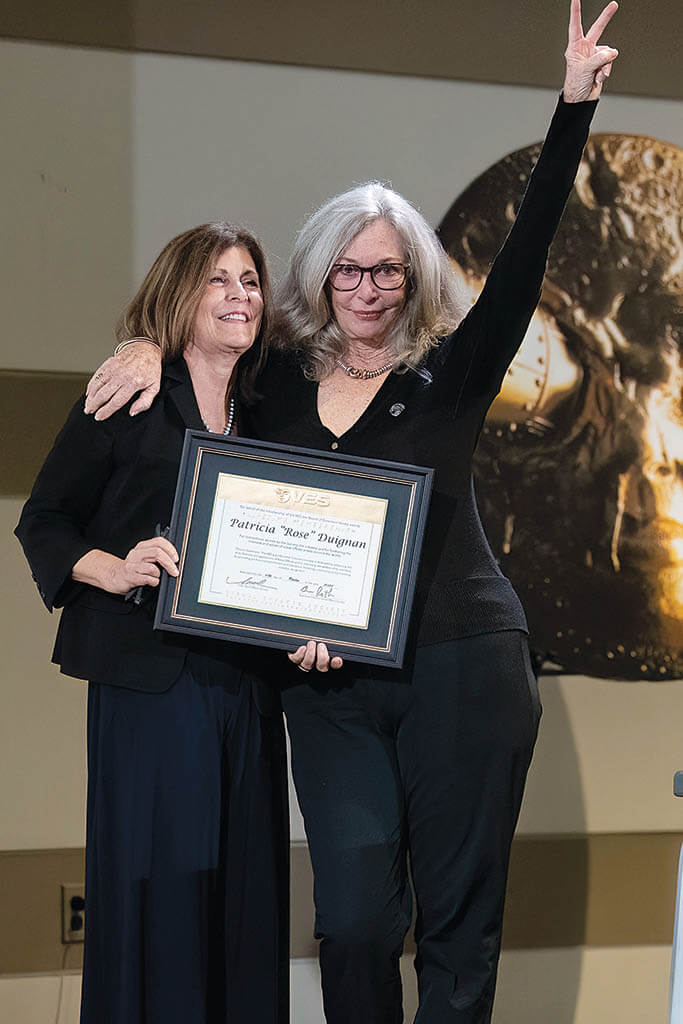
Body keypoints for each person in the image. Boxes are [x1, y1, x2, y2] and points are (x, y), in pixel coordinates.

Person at [82, 3, 619, 1019]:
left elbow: (522, 259)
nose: (367, 285)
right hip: (326, 688)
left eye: (386, 268)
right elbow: (199, 333)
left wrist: (571, 106)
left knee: (459, 929)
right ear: (320, 272)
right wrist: (141, 346)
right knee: (356, 920)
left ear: (411, 275)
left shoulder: (449, 375)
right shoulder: (275, 381)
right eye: (347, 266)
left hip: (461, 663)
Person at [15, 224, 289, 1024]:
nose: (240, 296)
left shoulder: (272, 402)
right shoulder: (131, 392)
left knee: (244, 896)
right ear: (180, 294)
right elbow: (46, 518)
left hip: (246, 681)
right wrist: (112, 567)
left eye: (250, 281)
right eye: (219, 281)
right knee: (160, 893)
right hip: (148, 678)